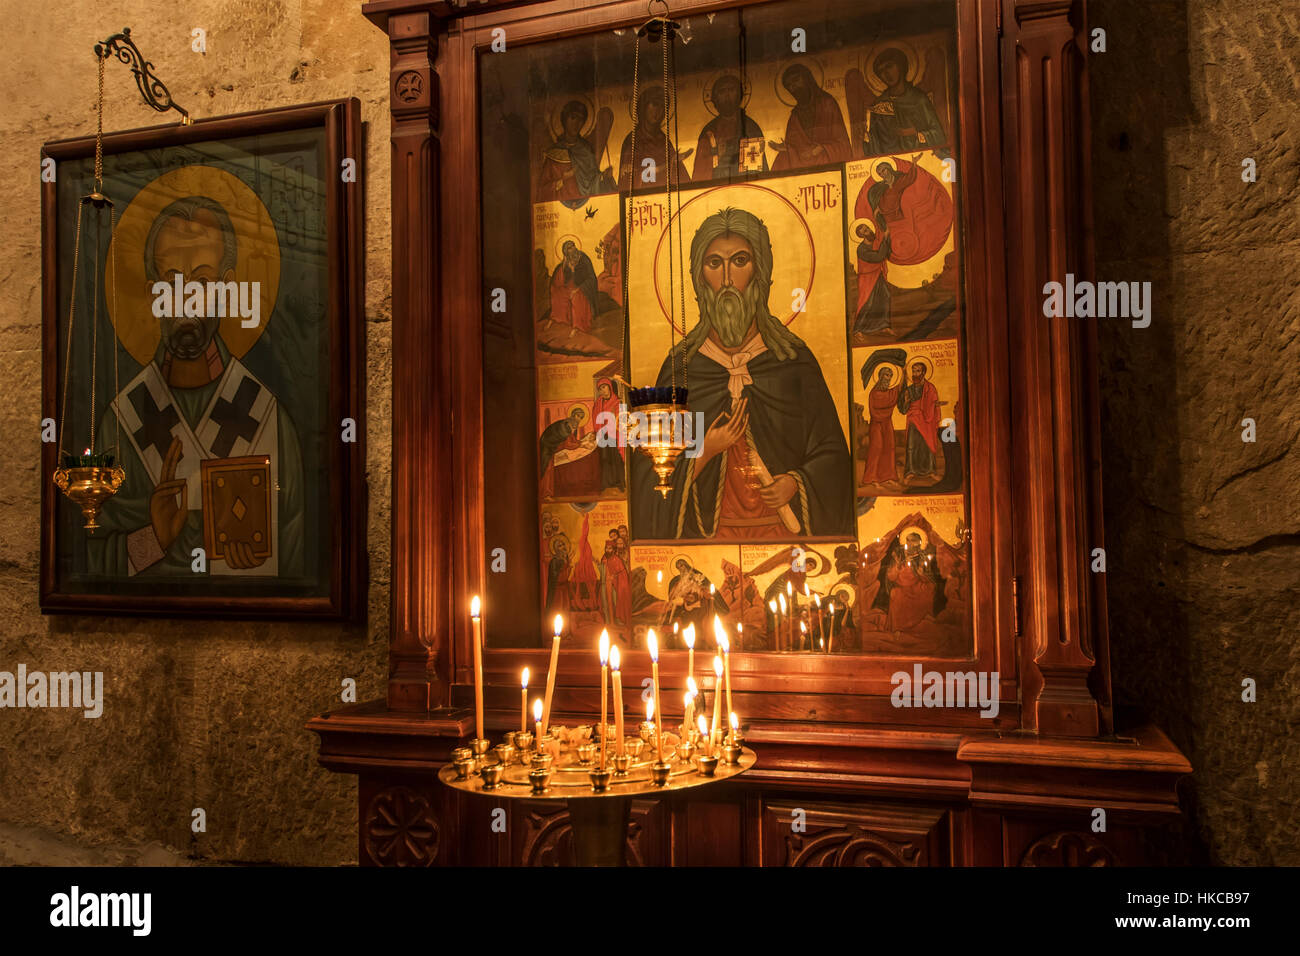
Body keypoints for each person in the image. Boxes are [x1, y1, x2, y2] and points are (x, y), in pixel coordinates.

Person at [89, 195, 303, 578]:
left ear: (228, 288)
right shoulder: (120, 422)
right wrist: (154, 539)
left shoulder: (268, 420)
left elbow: (297, 556)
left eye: (202, 281)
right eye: (171, 282)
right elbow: (90, 563)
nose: (186, 301)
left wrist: (256, 565)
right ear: (153, 291)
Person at [630, 207, 853, 539]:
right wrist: (706, 450)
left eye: (740, 261)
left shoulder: (792, 362)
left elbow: (833, 456)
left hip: (786, 538)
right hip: (704, 545)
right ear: (699, 278)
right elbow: (646, 477)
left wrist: (795, 483)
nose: (728, 280)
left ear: (760, 273)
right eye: (714, 264)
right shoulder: (681, 370)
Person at [854, 48, 947, 158]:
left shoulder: (918, 99)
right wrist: (866, 137)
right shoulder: (880, 106)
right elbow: (875, 145)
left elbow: (938, 135)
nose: (886, 74)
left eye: (889, 66)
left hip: (920, 158)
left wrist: (915, 134)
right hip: (891, 161)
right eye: (881, 71)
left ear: (901, 66)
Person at [769, 65, 853, 171]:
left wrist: (818, 149)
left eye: (796, 80)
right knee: (782, 159)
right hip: (802, 161)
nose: (793, 87)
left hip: (826, 158)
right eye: (789, 85)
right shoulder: (795, 116)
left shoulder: (827, 104)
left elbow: (842, 143)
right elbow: (794, 146)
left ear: (807, 79)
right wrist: (787, 148)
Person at [538, 99, 614, 208]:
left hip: (586, 207)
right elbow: (542, 190)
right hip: (560, 210)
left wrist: (603, 177)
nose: (577, 123)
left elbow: (592, 183)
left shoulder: (586, 151)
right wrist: (562, 179)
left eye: (581, 120)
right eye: (573, 118)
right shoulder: (553, 153)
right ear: (564, 119)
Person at [692, 74, 767, 180]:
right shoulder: (709, 131)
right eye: (722, 91)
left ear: (739, 95)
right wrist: (717, 155)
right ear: (714, 99)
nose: (727, 95)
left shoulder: (750, 127)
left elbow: (755, 168)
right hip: (716, 185)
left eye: (731, 90)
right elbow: (701, 170)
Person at [618, 85, 692, 189]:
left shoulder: (664, 140)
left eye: (663, 107)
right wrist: (670, 163)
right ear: (643, 106)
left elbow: (680, 177)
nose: (659, 111)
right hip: (644, 201)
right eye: (655, 104)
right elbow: (635, 178)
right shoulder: (633, 140)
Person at [896, 361, 941, 480]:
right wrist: (905, 400)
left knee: (928, 444)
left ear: (924, 372)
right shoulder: (909, 390)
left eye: (918, 371)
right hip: (913, 419)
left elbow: (933, 402)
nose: (915, 374)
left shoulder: (930, 388)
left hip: (927, 420)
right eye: (913, 371)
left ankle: (931, 470)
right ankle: (910, 471)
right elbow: (904, 410)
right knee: (911, 445)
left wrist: (934, 405)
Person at [861, 365, 902, 485]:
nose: (888, 378)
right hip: (877, 424)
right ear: (880, 376)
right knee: (876, 448)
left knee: (889, 447)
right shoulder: (874, 393)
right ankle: (871, 478)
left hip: (887, 424)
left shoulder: (889, 392)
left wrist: (903, 374)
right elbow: (884, 402)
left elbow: (896, 391)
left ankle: (887, 476)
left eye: (890, 376)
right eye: (886, 375)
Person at [548, 240, 598, 335]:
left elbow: (591, 278)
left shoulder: (584, 259)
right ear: (566, 253)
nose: (572, 249)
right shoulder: (566, 262)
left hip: (584, 288)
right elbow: (565, 278)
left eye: (573, 246)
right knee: (559, 293)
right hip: (571, 287)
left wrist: (578, 289)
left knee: (576, 297)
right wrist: (569, 269)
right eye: (569, 248)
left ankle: (578, 326)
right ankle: (557, 319)